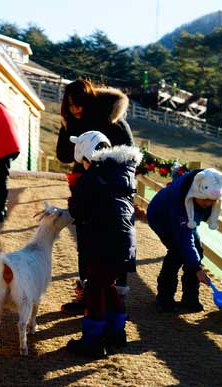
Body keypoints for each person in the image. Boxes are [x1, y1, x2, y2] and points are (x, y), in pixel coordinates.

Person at [56, 78, 134, 314]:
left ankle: (113, 297)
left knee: (111, 242)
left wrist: (104, 172)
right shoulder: (71, 121)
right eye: (69, 104)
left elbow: (128, 155)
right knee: (85, 242)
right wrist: (68, 129)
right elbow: (63, 154)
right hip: (84, 188)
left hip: (110, 190)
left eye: (78, 104)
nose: (74, 109)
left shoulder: (112, 122)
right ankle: (87, 296)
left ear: (88, 102)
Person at [66, 131, 141, 358]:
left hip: (104, 240)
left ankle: (93, 341)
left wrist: (73, 197)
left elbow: (78, 209)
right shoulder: (122, 172)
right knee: (107, 285)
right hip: (125, 241)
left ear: (88, 157)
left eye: (84, 162)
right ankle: (116, 333)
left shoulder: (95, 175)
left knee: (94, 288)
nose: (84, 166)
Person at [147, 168, 222, 312]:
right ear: (196, 192)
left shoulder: (210, 186)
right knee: (177, 253)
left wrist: (196, 266)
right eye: (205, 199)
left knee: (197, 252)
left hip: (187, 220)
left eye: (212, 201)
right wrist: (196, 269)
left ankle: (190, 299)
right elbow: (184, 239)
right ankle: (164, 299)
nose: (208, 203)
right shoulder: (181, 199)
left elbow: (189, 233)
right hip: (162, 218)